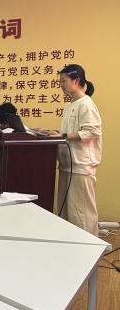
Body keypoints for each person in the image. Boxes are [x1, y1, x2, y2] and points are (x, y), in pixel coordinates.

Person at [48, 65, 102, 235]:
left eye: (64, 81)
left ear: (76, 81)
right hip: (66, 164)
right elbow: (69, 133)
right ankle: (70, 247)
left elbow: (91, 132)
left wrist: (62, 135)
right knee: (66, 212)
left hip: (81, 166)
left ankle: (89, 249)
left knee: (82, 214)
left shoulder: (86, 104)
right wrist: (54, 134)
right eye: (60, 81)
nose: (61, 85)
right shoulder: (69, 106)